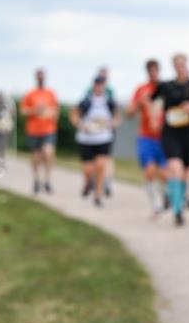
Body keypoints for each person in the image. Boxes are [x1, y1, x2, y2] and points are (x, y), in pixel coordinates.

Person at [145, 53, 189, 226]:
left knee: (184, 173)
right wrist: (154, 117)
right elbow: (152, 101)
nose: (180, 67)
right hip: (170, 134)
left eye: (183, 64)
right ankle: (178, 211)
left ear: (187, 65)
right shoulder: (166, 86)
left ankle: (175, 198)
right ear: (173, 67)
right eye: (177, 64)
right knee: (175, 168)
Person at [127, 59, 168, 216]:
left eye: (156, 70)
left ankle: (166, 196)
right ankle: (156, 203)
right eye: (150, 70)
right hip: (146, 136)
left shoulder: (165, 88)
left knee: (165, 173)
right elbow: (129, 113)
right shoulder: (141, 89)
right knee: (150, 171)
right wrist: (140, 102)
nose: (153, 73)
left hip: (164, 136)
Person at [71, 75, 119, 208]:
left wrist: (110, 124)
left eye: (101, 84)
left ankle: (98, 195)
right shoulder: (86, 101)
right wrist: (81, 125)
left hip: (103, 138)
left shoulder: (109, 101)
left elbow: (116, 117)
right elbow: (74, 114)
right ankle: (88, 182)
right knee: (88, 169)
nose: (99, 87)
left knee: (101, 165)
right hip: (87, 138)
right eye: (97, 84)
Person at [20, 68, 59, 194]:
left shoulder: (50, 93)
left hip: (48, 129)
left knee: (48, 152)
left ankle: (47, 180)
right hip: (33, 130)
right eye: (39, 76)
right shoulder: (30, 94)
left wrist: (51, 114)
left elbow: (55, 110)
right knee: (36, 156)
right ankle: (36, 180)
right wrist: (34, 110)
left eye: (42, 76)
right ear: (36, 78)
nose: (41, 78)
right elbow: (23, 111)